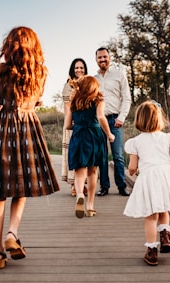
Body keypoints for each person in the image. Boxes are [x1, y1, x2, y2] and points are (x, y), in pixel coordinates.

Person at [0, 26, 60, 269]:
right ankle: (12, 233)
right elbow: (39, 99)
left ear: (9, 46)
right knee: (21, 188)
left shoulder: (0, 71)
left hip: (2, 131)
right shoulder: (39, 73)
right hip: (28, 129)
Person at [123, 100, 170, 266]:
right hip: (165, 175)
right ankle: (165, 237)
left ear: (139, 120)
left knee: (151, 216)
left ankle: (152, 252)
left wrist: (132, 171)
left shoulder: (136, 142)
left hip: (148, 178)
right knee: (164, 208)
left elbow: (132, 167)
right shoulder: (167, 138)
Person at [64, 75, 115, 218]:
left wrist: (79, 124)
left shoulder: (73, 102)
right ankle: (90, 206)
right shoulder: (98, 101)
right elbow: (100, 117)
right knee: (93, 173)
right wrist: (109, 134)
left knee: (80, 173)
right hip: (94, 136)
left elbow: (67, 125)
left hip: (79, 136)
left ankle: (80, 194)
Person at [94, 47, 132, 197]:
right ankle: (104, 186)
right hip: (99, 122)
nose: (102, 60)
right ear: (96, 60)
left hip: (115, 120)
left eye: (105, 57)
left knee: (118, 155)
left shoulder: (119, 75)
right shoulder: (94, 79)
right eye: (99, 58)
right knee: (102, 155)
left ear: (109, 58)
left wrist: (121, 117)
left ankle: (122, 186)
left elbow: (127, 98)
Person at [61, 58, 88, 197]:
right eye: (76, 68)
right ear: (72, 70)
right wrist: (72, 125)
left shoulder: (88, 84)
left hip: (86, 125)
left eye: (81, 68)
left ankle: (83, 184)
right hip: (73, 125)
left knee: (84, 154)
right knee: (74, 154)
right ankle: (74, 185)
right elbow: (67, 109)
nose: (79, 70)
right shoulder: (68, 86)